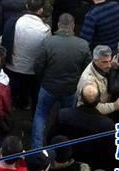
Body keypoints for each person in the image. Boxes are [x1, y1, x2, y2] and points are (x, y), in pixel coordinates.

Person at [31, 14, 91, 148]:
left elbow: (38, 66)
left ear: (58, 25)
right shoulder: (83, 45)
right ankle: (63, 148)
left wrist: (42, 79)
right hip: (70, 89)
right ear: (73, 26)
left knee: (41, 115)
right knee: (67, 118)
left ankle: (36, 149)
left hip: (49, 87)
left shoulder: (48, 42)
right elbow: (87, 69)